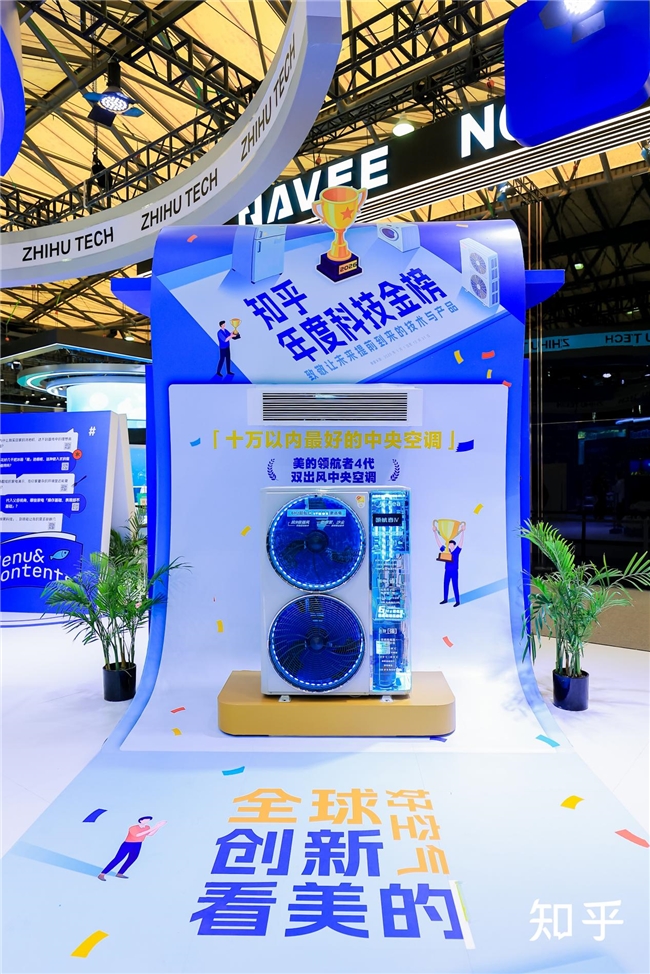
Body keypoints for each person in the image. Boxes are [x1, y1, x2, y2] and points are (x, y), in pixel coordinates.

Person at [97, 816, 166, 880]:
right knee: (118, 859)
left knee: (132, 859)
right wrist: (155, 827)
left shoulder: (147, 827)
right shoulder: (133, 828)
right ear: (141, 820)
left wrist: (158, 827)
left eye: (148, 820)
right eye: (146, 820)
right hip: (128, 844)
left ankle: (120, 873)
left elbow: (150, 834)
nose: (147, 821)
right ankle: (102, 874)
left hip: (138, 844)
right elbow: (137, 835)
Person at [432, 522, 465, 607]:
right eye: (449, 544)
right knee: (445, 584)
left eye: (451, 544)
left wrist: (462, 531)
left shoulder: (456, 551)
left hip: (454, 571)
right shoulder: (446, 551)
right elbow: (439, 543)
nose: (449, 545)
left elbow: (461, 543)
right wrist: (435, 532)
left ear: (453, 545)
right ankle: (445, 599)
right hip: (447, 571)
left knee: (455, 585)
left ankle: (457, 601)